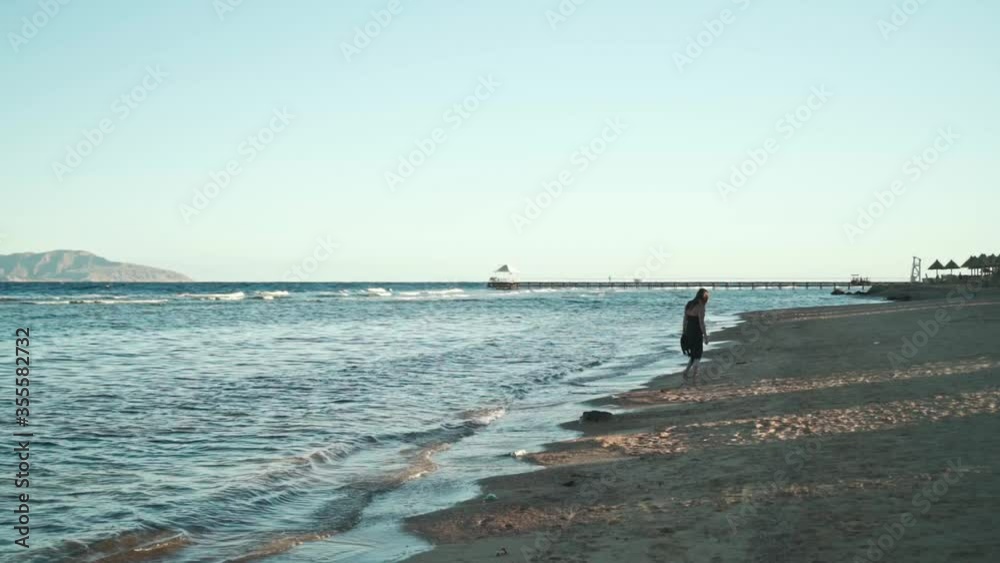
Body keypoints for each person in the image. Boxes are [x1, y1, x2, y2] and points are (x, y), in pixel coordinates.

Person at [680, 288, 710, 385]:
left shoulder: (689, 304)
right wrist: (705, 336)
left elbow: (685, 319)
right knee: (698, 355)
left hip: (688, 331)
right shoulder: (701, 307)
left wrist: (684, 331)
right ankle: (695, 375)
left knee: (693, 354)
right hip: (696, 332)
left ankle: (686, 372)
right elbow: (701, 323)